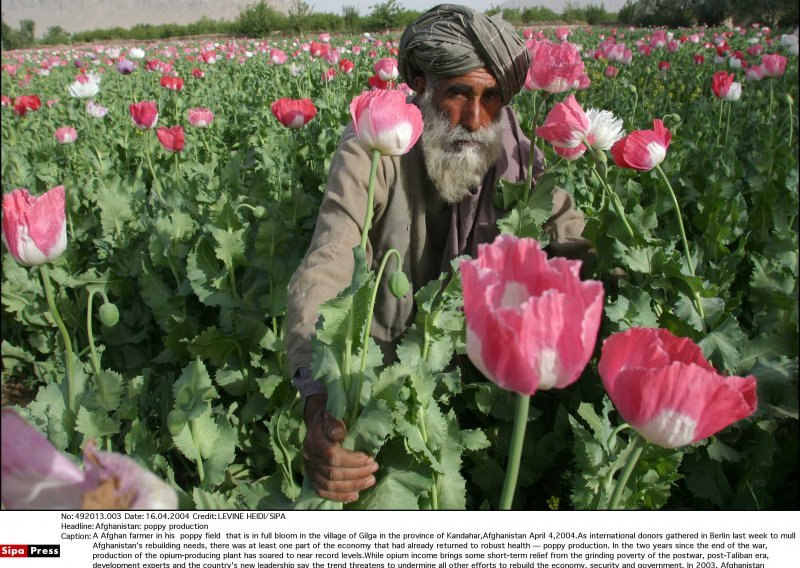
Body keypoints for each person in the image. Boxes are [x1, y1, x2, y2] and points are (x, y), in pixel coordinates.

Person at [285, 4, 588, 503]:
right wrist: (318, 399)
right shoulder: (374, 144)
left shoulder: (513, 150)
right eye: (459, 94)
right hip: (384, 372)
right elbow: (331, 255)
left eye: (491, 97)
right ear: (422, 84)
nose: (474, 118)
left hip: (487, 380)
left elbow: (571, 238)